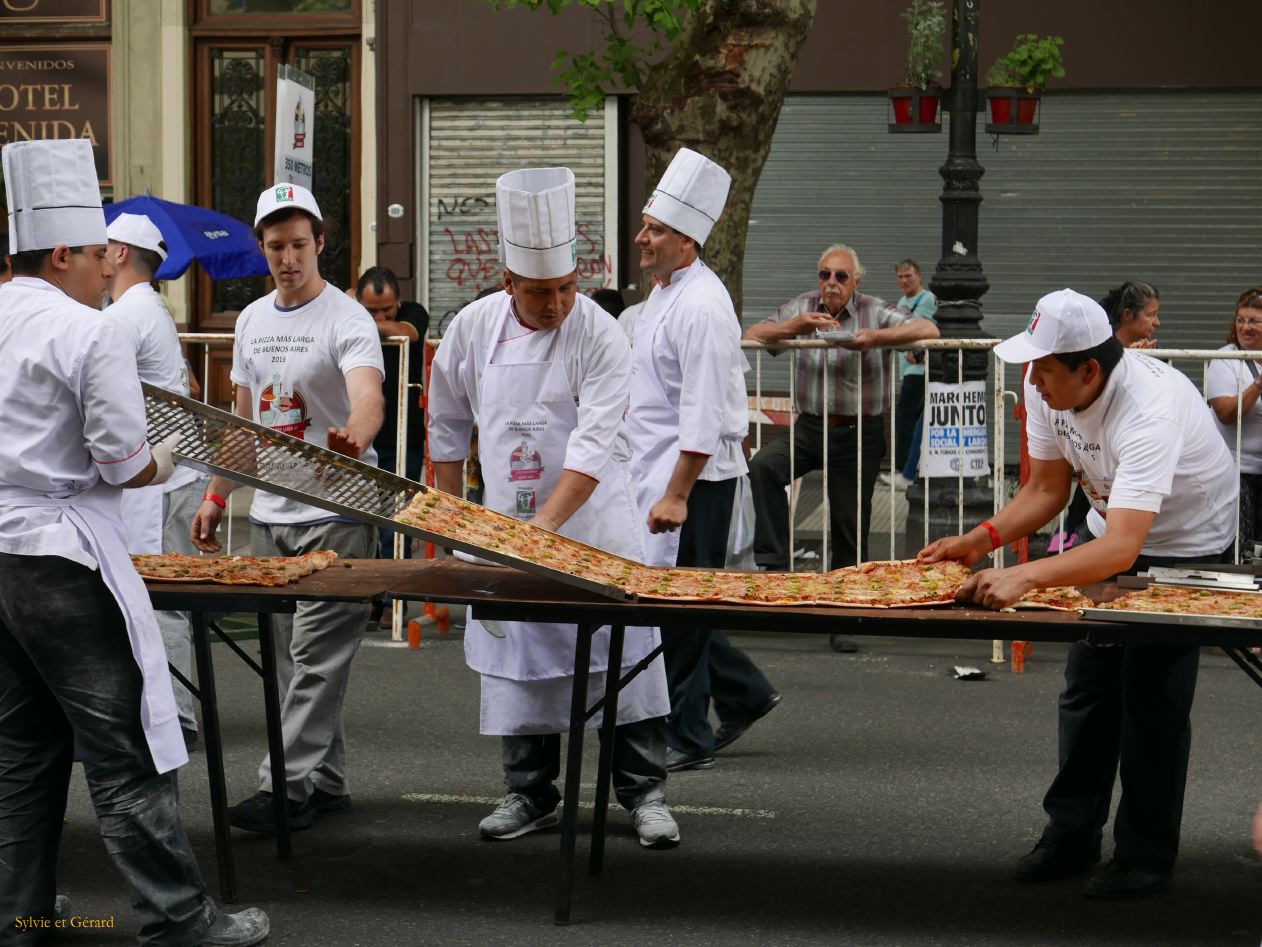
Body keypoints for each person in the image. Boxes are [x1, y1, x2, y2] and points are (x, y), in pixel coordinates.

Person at [0, 139, 267, 946]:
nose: (103, 267)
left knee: (22, 746)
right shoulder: (90, 331)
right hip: (59, 557)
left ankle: (21, 917)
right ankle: (178, 918)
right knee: (124, 751)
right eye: (92, 253)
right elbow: (122, 464)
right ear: (59, 252)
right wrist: (172, 453)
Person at [920, 288, 1237, 900]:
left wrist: (1028, 574)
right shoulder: (1052, 389)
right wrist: (980, 539)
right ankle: (1070, 835)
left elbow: (1126, 549)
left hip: (1184, 545)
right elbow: (1046, 489)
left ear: (1090, 369)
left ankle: (1145, 854)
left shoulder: (1150, 408)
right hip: (1108, 531)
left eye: (1043, 368)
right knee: (1088, 689)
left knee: (1152, 698)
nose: (1031, 380)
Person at [428, 167, 678, 848]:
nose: (556, 305)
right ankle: (528, 792)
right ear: (507, 282)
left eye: (566, 288)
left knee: (622, 666)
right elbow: (445, 425)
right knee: (520, 669)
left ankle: (644, 791)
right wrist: (451, 516)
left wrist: (541, 529)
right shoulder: (472, 330)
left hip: (593, 527)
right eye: (539, 292)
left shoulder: (599, 333)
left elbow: (596, 444)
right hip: (506, 525)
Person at [191, 182, 384, 834]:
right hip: (271, 517)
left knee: (316, 659)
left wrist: (355, 436)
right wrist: (217, 496)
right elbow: (243, 426)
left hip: (337, 514)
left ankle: (283, 788)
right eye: (276, 246)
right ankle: (324, 781)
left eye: (300, 243)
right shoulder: (250, 321)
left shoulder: (346, 317)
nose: (289, 257)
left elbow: (370, 396)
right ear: (263, 250)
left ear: (320, 242)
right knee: (288, 667)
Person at [626, 147, 776, 773]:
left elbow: (706, 413)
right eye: (645, 224)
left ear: (688, 242)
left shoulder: (703, 305)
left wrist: (678, 493)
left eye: (655, 230)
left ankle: (689, 736)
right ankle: (745, 693)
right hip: (659, 474)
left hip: (694, 481)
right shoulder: (667, 289)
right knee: (677, 603)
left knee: (679, 611)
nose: (642, 238)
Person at [744, 244, 939, 653]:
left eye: (841, 276)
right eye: (824, 275)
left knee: (850, 523)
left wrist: (876, 339)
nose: (831, 283)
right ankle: (776, 567)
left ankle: (843, 615)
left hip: (859, 430)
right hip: (811, 426)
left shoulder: (873, 309)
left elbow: (928, 331)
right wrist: (795, 326)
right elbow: (751, 335)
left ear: (856, 282)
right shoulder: (803, 307)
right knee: (763, 466)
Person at [104, 212, 207, 749]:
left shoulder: (128, 314)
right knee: (162, 601)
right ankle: (171, 711)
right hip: (171, 476)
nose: (96, 253)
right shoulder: (147, 308)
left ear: (121, 254)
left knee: (160, 601)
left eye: (105, 244)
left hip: (163, 482)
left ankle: (179, 718)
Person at [1050, 280, 1162, 554]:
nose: (1156, 323)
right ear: (1127, 315)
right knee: (1081, 512)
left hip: (1120, 466)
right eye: (1151, 314)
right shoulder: (1091, 350)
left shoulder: (1149, 364)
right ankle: (1059, 549)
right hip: (1090, 463)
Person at [356, 265, 429, 484]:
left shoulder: (414, 311)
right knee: (365, 512)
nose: (379, 317)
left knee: (403, 511)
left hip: (404, 436)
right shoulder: (350, 316)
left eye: (387, 309)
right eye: (371, 310)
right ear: (359, 303)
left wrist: (361, 319)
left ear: (398, 300)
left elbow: (406, 333)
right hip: (364, 434)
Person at [1205, 286, 1262, 559]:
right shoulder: (1226, 358)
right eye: (1241, 320)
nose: (1246, 327)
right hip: (1237, 472)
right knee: (1241, 551)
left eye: (1254, 321)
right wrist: (1258, 384)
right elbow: (1225, 413)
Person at [881, 258, 937, 490]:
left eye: (908, 276)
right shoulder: (902, 301)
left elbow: (925, 328)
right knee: (915, 420)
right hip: (908, 369)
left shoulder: (927, 299)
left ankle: (904, 471)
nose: (904, 281)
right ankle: (911, 470)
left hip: (920, 368)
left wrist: (914, 350)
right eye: (900, 277)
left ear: (919, 276)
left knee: (905, 417)